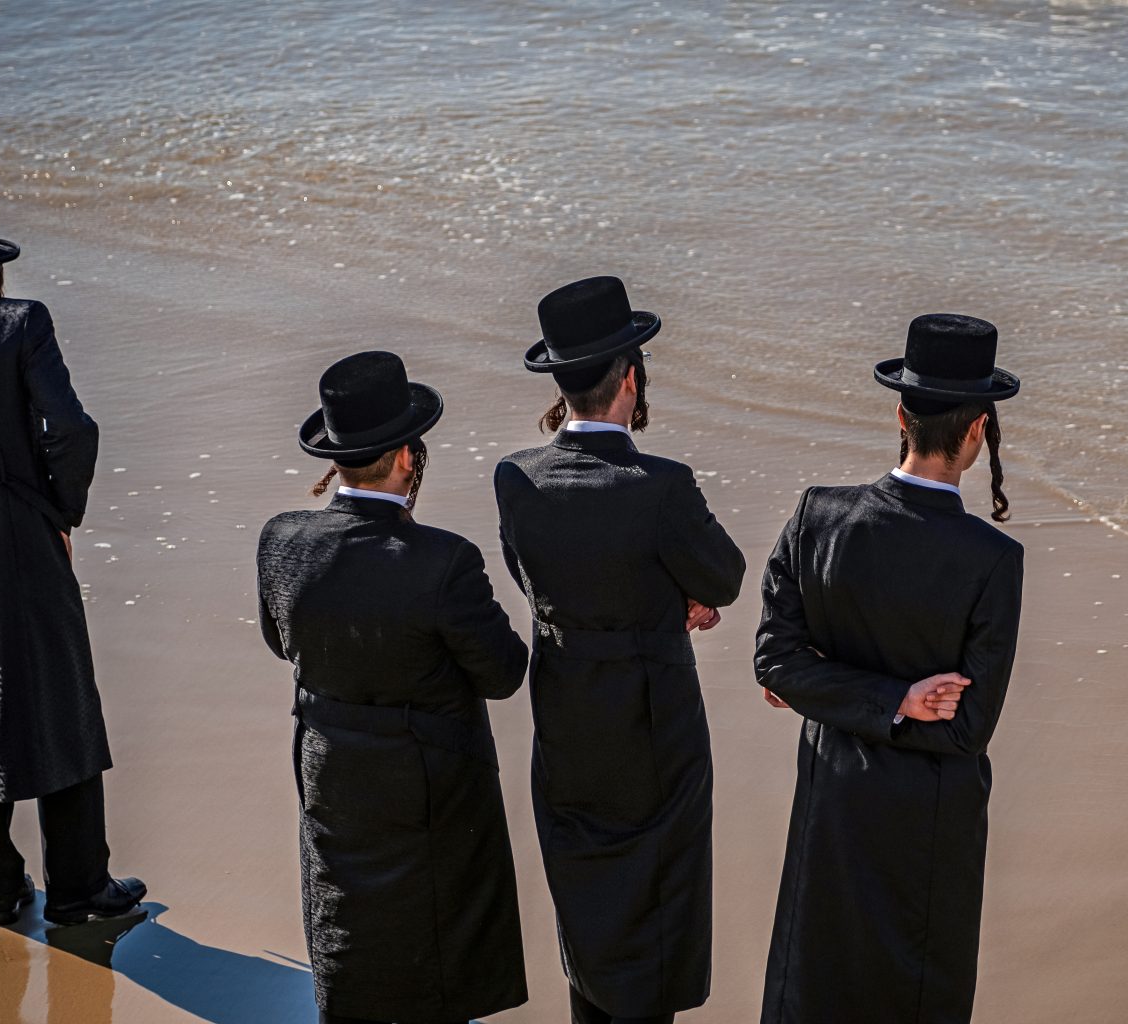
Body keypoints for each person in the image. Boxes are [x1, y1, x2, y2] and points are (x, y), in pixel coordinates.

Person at [754, 314, 1025, 1024]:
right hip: (930, 823)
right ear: (978, 433)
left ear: (900, 415)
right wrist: (902, 700)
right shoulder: (993, 560)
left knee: (812, 986)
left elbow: (776, 663)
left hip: (833, 799)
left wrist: (843, 693)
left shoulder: (818, 517)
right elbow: (968, 729)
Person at [493, 276, 745, 1024]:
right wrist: (676, 599)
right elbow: (725, 578)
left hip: (566, 717)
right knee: (656, 906)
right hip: (653, 726)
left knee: (588, 896)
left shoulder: (517, 478)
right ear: (630, 377)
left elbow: (533, 575)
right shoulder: (661, 485)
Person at [257, 351, 530, 1024]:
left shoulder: (282, 541)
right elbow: (504, 673)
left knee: (343, 916)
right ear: (408, 456)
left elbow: (280, 641)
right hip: (429, 784)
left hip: (331, 767)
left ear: (337, 458)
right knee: (436, 952)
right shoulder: (443, 561)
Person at [0, 195, 144, 927]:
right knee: (59, 694)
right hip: (21, 521)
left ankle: (1, 892)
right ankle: (78, 890)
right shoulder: (21, 322)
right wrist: (60, 510)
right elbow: (71, 429)